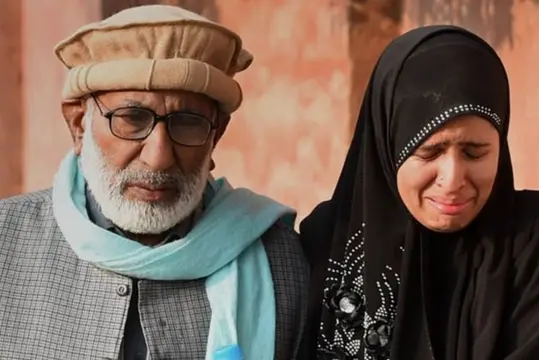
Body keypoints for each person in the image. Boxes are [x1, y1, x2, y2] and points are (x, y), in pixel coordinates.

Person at [0, 5, 308, 360]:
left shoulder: (277, 261)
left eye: (187, 122)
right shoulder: (7, 240)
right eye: (131, 119)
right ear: (78, 124)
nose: (159, 157)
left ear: (216, 136)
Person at [299, 25, 539, 359]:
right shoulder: (327, 240)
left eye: (475, 152)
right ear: (388, 149)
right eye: (428, 153)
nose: (453, 179)